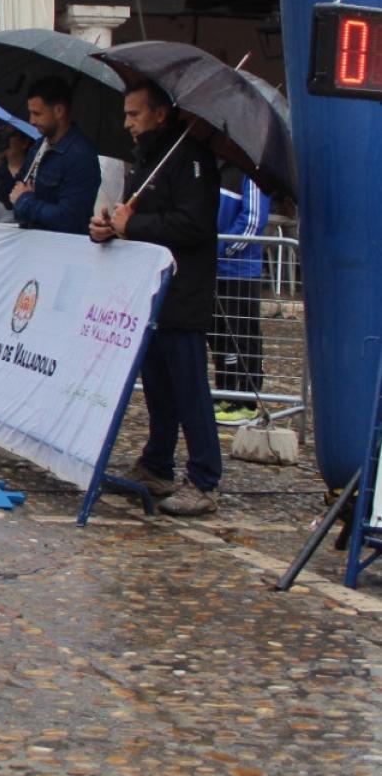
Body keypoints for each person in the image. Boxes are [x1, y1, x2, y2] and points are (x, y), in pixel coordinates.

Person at [90, 79, 221, 517]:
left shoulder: (193, 159)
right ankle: (157, 463)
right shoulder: (149, 157)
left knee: (189, 389)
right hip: (151, 292)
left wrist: (134, 227)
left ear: (160, 114)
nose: (127, 123)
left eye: (134, 114)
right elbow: (139, 215)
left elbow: (193, 225)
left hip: (184, 292)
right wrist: (111, 226)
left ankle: (204, 478)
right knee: (160, 388)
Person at [213, 163, 272, 420]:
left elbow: (254, 219)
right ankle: (226, 391)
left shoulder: (252, 172)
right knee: (220, 334)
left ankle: (247, 399)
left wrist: (223, 248)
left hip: (240, 270)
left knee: (243, 333)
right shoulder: (217, 168)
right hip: (215, 268)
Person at [9, 76, 101, 235]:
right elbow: (13, 197)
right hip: (33, 243)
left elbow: (70, 218)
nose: (31, 121)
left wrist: (25, 201)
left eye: (37, 113)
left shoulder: (80, 155)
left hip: (60, 250)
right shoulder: (39, 146)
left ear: (59, 111)